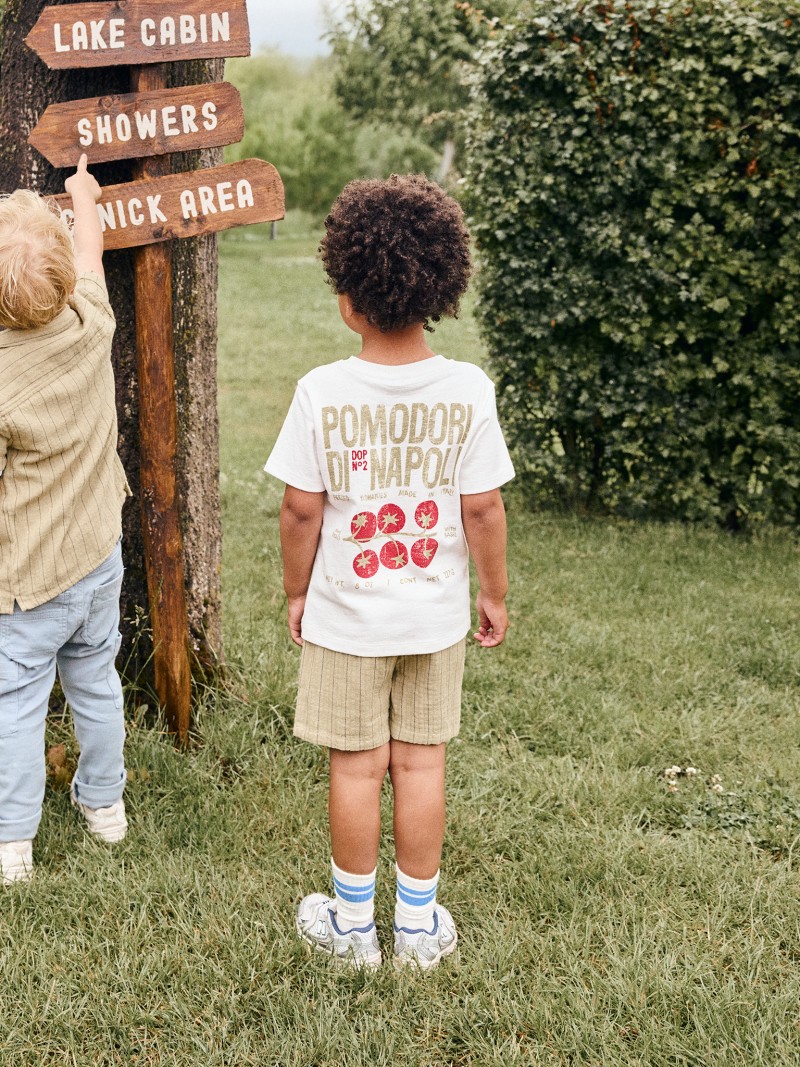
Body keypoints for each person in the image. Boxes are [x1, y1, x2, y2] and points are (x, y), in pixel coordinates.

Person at [265, 175, 514, 969]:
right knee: (421, 763)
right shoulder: (467, 390)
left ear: (348, 294)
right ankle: (416, 925)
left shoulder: (322, 392)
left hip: (347, 620)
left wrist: (298, 589)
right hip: (435, 620)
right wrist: (494, 592)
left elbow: (302, 510)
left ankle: (349, 927)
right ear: (444, 286)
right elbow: (484, 511)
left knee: (356, 766)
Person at [0, 155, 131, 885]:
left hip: (27, 583)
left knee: (17, 706)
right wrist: (82, 195)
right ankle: (105, 805)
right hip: (98, 557)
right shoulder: (92, 318)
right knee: (97, 683)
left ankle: (12, 842)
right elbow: (90, 252)